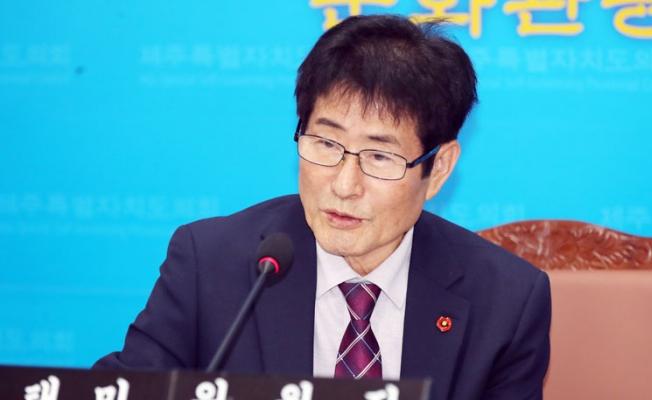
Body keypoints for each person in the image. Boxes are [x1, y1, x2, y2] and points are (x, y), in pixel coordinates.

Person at [95, 14, 551, 400]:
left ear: (440, 168)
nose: (344, 185)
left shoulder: (505, 302)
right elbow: (127, 389)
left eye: (380, 157)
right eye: (327, 144)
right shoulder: (209, 262)